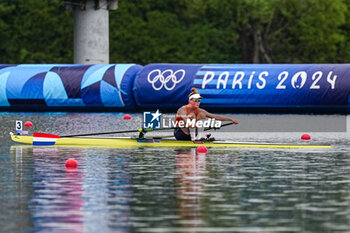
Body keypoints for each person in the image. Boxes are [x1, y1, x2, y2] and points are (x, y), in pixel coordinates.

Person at [174, 88, 238, 141]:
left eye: (199, 100)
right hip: (182, 134)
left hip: (193, 132)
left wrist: (231, 119)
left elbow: (215, 116)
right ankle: (194, 139)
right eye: (195, 101)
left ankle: (198, 138)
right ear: (190, 101)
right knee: (192, 115)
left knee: (202, 114)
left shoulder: (200, 110)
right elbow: (185, 118)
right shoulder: (182, 109)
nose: (198, 102)